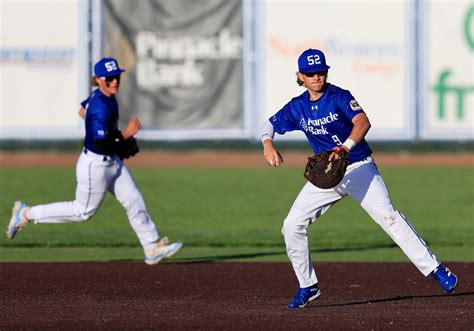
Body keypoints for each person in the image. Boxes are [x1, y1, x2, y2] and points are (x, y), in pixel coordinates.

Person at [260, 49, 458, 308]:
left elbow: (363, 122)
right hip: (328, 176)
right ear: (300, 76)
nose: (316, 77)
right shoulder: (297, 107)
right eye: (310, 74)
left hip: (358, 167)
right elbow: (269, 124)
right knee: (292, 224)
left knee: (388, 216)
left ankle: (435, 269)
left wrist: (345, 147)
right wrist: (268, 144)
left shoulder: (339, 97)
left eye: (320, 71)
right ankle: (308, 286)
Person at [6, 57, 183, 265]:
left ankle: (151, 247)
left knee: (134, 199)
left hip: (112, 162)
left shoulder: (102, 96)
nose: (114, 81)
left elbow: (83, 111)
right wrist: (124, 135)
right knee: (82, 211)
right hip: (95, 166)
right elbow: (100, 141)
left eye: (116, 76)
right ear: (99, 79)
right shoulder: (100, 105)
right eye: (109, 78)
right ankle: (26, 213)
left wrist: (113, 137)